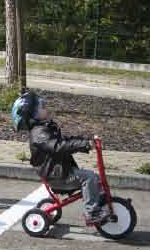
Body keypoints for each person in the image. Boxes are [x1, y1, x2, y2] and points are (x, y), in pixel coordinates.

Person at [11, 90, 109, 224]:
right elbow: (59, 146)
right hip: (57, 176)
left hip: (61, 171)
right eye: (43, 107)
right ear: (33, 115)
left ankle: (100, 204)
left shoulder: (46, 128)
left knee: (95, 178)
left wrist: (85, 141)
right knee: (89, 177)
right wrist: (84, 145)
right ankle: (92, 212)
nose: (46, 108)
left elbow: (65, 141)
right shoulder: (39, 134)